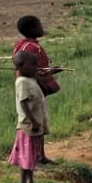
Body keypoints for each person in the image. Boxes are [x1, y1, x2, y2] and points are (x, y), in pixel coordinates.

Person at [13, 16, 61, 166]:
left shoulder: (21, 46)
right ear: (33, 29)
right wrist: (47, 74)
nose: (42, 27)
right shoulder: (32, 48)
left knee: (38, 125)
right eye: (39, 25)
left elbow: (33, 69)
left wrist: (50, 71)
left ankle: (40, 156)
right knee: (33, 126)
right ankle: (35, 158)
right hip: (33, 91)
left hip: (34, 90)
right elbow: (35, 71)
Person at [9, 50, 48, 183]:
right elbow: (23, 103)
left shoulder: (30, 80)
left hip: (35, 125)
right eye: (33, 65)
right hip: (28, 126)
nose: (36, 67)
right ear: (21, 66)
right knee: (26, 156)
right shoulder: (21, 82)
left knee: (32, 155)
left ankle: (30, 181)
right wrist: (34, 122)